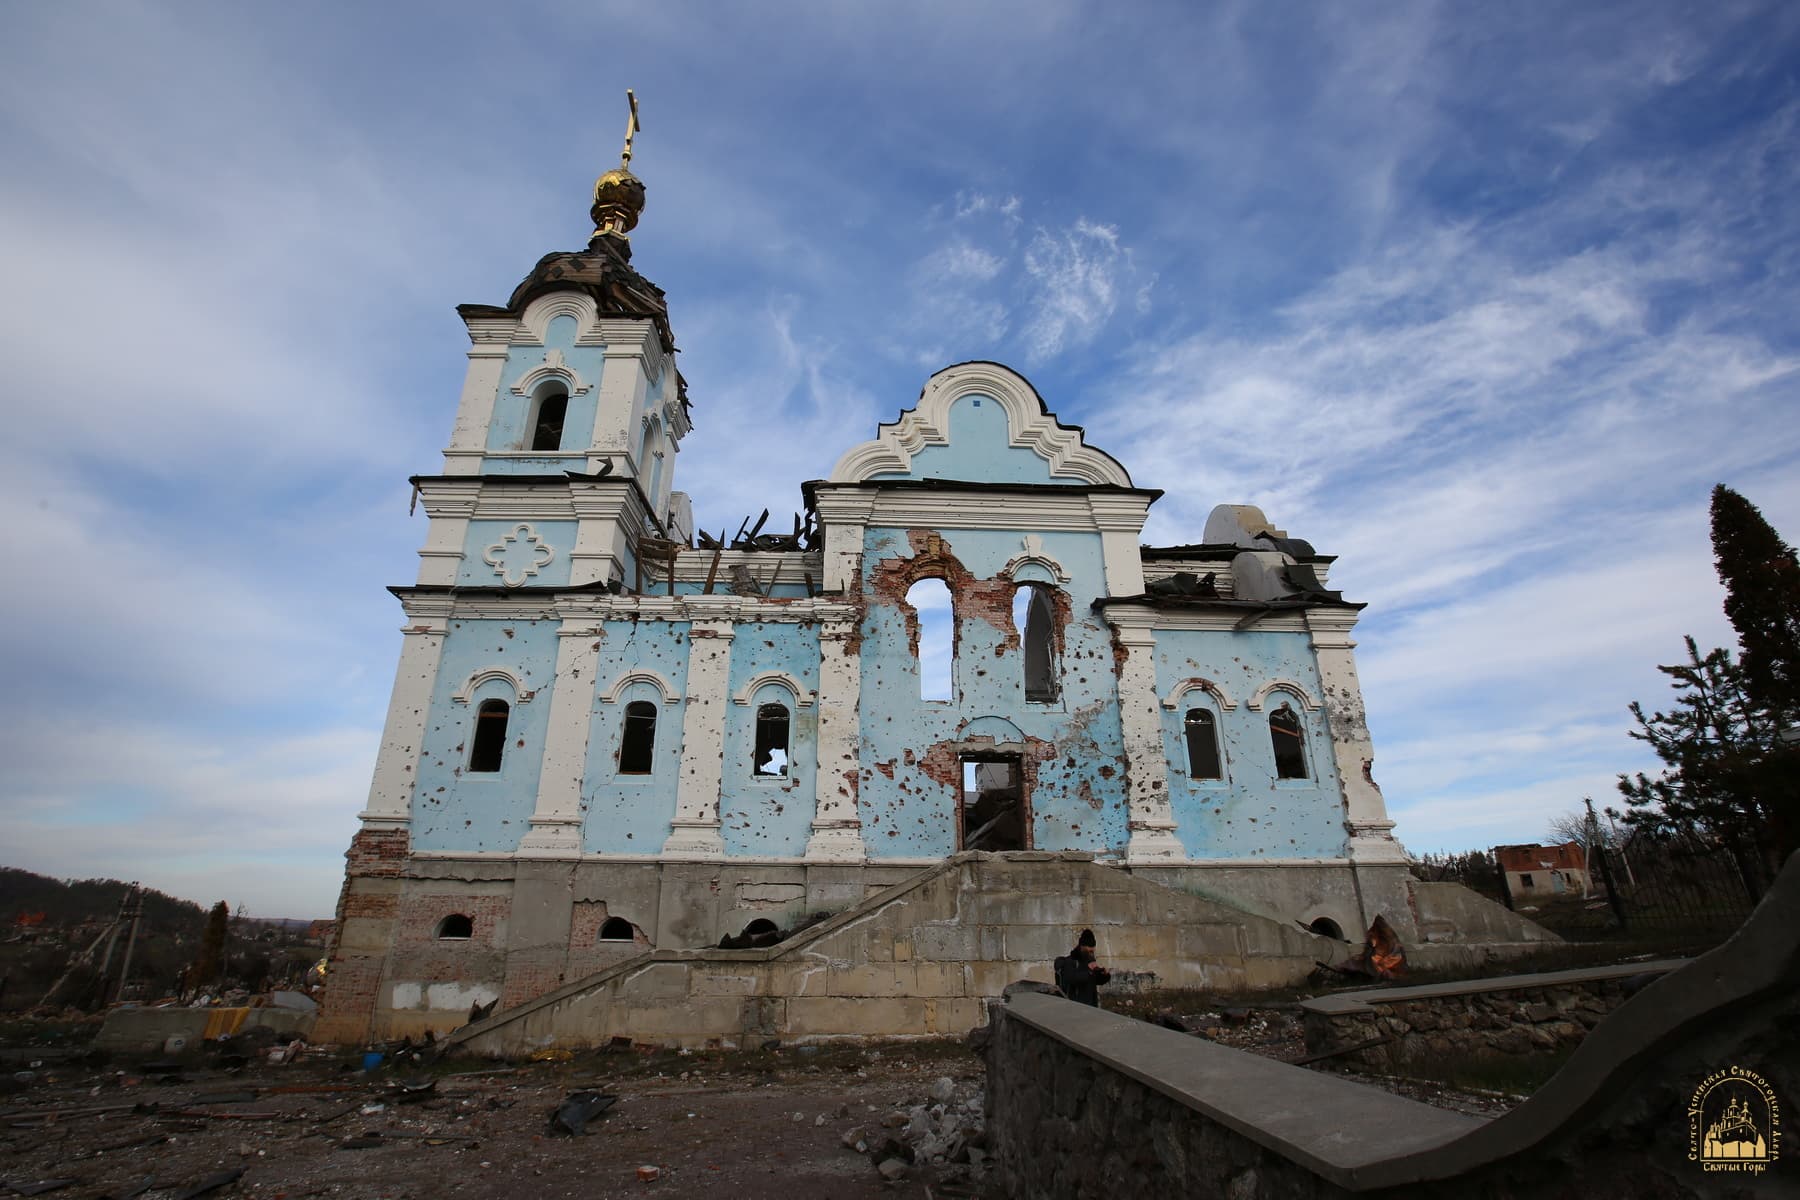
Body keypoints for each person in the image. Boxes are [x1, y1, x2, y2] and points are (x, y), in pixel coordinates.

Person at [1052, 928, 1111, 1007]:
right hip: (1075, 1007)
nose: (1091, 954)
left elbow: (1095, 980)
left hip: (1090, 1006)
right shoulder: (1070, 961)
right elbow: (1071, 978)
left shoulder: (1090, 960)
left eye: (1092, 951)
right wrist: (1090, 972)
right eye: (1090, 951)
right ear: (1082, 946)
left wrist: (1104, 975)